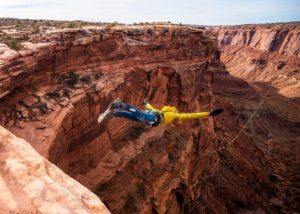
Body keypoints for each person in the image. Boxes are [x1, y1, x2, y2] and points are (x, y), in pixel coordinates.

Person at [98, 98, 224, 126]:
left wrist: (146, 102)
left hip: (150, 118)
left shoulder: (160, 111)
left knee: (131, 116)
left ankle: (112, 114)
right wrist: (208, 114)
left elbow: (150, 106)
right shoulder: (175, 115)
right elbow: (191, 115)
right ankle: (119, 105)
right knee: (134, 112)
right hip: (151, 120)